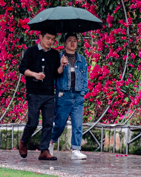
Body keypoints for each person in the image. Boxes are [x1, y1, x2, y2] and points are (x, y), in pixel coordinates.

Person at [18, 31, 65, 161]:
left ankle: (44, 150)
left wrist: (62, 65)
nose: (50, 41)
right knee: (32, 122)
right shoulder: (31, 51)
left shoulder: (54, 54)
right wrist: (35, 74)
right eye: (48, 38)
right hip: (34, 92)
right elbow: (22, 68)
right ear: (41, 37)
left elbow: (57, 73)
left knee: (48, 123)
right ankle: (24, 141)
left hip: (49, 93)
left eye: (53, 39)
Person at [51, 33, 89, 160]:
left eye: (75, 40)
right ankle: (51, 141)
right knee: (60, 124)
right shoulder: (58, 57)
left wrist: (83, 92)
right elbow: (55, 75)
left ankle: (76, 149)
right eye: (69, 40)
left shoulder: (82, 59)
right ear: (65, 43)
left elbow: (85, 78)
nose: (73, 43)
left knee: (77, 123)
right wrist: (62, 65)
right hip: (63, 94)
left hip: (77, 95)